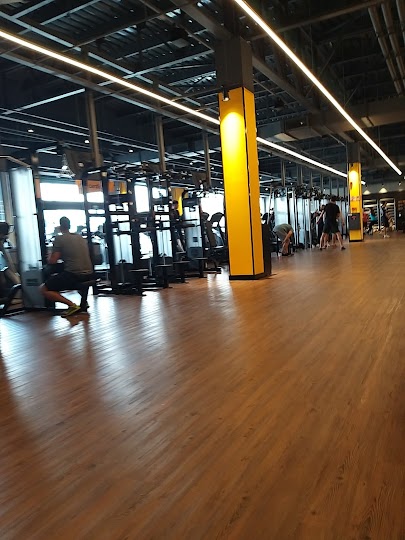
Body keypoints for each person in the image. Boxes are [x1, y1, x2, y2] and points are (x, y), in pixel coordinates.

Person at [40, 216, 94, 317]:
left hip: (74, 275)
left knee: (43, 289)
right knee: (67, 273)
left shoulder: (59, 238)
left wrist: (49, 257)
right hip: (89, 273)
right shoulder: (79, 237)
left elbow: (53, 261)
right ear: (69, 226)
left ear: (60, 227)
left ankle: (72, 306)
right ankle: (83, 303)